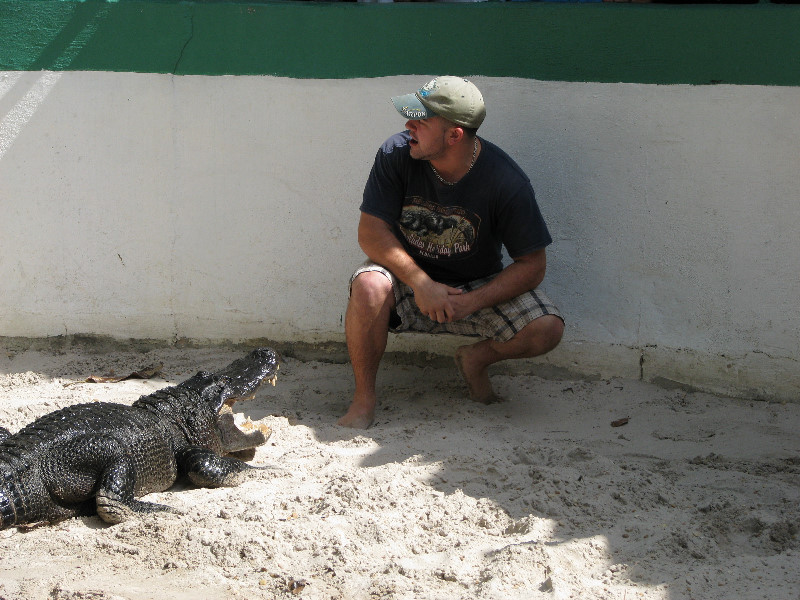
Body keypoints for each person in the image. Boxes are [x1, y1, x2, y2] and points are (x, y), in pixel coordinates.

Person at [339, 76, 564, 429]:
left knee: (546, 328)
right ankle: (363, 400)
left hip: (474, 288)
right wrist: (421, 283)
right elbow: (370, 232)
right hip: (409, 281)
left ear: (454, 135)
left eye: (420, 121)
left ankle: (475, 359)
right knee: (368, 285)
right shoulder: (396, 154)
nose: (408, 126)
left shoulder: (506, 181)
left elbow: (533, 266)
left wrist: (471, 302)